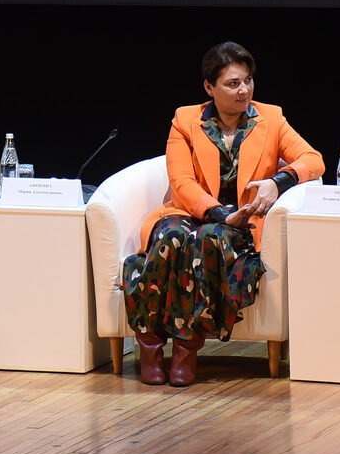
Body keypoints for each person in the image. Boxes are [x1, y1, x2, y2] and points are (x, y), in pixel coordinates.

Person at [121, 42, 324, 387]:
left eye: (248, 81)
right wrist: (216, 212)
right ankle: (150, 345)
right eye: (232, 83)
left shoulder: (270, 118)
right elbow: (181, 182)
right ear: (209, 87)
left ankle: (186, 347)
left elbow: (314, 159)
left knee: (207, 239)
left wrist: (279, 180)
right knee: (171, 235)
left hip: (241, 221)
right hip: (192, 211)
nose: (244, 90)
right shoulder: (185, 120)